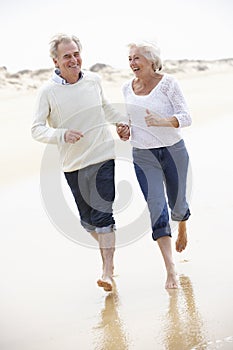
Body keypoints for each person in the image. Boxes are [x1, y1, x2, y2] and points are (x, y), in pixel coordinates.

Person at [31, 34, 129, 292]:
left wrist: (120, 122)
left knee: (103, 214)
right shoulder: (47, 92)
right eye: (67, 56)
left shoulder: (94, 80)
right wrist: (61, 134)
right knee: (88, 222)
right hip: (72, 164)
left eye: (76, 53)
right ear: (56, 61)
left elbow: (105, 108)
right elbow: (36, 129)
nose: (73, 59)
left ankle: (107, 271)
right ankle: (108, 253)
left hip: (102, 155)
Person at [119, 41, 191, 289]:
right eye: (129, 59)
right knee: (156, 208)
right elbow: (129, 122)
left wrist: (162, 121)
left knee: (178, 204)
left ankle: (182, 224)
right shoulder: (126, 88)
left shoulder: (169, 84)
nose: (132, 63)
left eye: (137, 58)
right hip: (143, 155)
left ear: (151, 60)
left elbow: (186, 117)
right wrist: (124, 130)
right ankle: (171, 270)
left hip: (173, 152)